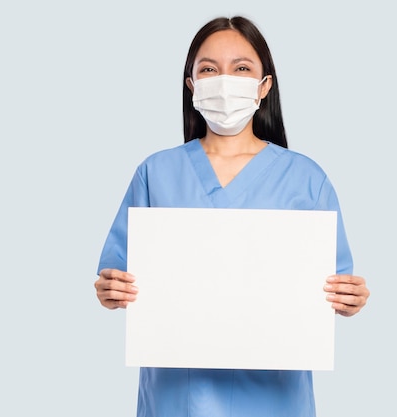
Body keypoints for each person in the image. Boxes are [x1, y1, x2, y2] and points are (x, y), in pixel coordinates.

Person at [94, 15, 370, 417]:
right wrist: (110, 290)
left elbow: (333, 284)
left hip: (275, 399)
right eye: (209, 69)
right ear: (192, 86)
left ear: (264, 86)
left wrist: (350, 298)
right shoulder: (155, 172)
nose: (224, 81)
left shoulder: (307, 178)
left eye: (241, 68)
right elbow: (116, 276)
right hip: (177, 398)